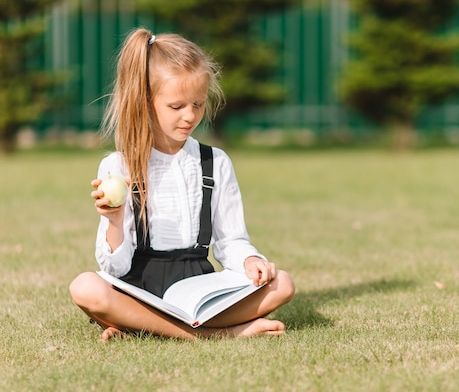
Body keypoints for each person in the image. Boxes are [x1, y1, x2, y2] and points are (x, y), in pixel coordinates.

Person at [69, 28, 295, 342]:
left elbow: (231, 241)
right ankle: (216, 334)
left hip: (198, 291)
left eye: (198, 105)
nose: (190, 116)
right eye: (176, 107)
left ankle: (142, 326)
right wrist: (115, 221)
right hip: (139, 290)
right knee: (85, 287)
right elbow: (116, 269)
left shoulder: (215, 162)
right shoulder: (118, 167)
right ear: (147, 102)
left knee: (281, 283)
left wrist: (250, 260)